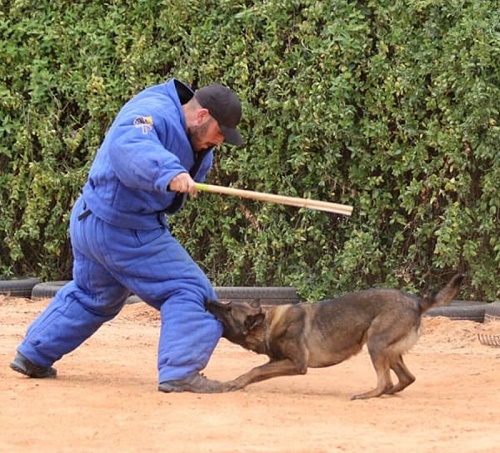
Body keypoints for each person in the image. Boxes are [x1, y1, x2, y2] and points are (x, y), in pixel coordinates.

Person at [10, 79, 244, 393]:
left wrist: (178, 173)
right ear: (201, 116)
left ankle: (34, 354)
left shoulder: (192, 133)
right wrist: (169, 172)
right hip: (123, 231)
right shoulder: (152, 112)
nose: (219, 142)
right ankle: (181, 372)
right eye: (220, 133)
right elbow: (129, 145)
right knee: (191, 291)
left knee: (94, 296)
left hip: (94, 221)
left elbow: (183, 162)